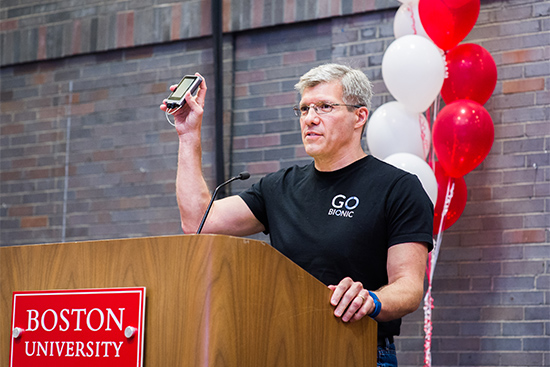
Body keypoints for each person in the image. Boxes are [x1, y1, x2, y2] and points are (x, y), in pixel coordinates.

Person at [160, 63, 433, 366]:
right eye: (304, 109)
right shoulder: (279, 186)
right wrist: (187, 133)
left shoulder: (398, 188)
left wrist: (371, 299)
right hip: (283, 349)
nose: (310, 119)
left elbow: (409, 287)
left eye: (325, 107)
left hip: (360, 349)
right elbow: (199, 222)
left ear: (359, 116)